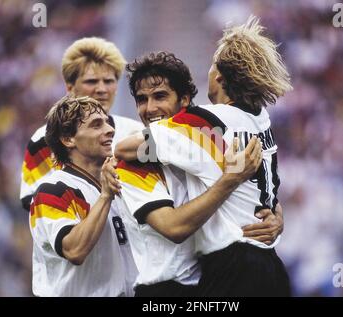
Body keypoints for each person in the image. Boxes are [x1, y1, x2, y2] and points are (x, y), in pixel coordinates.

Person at [118, 16, 292, 296]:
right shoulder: (262, 119)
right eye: (142, 100)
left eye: (213, 65)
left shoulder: (205, 122)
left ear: (221, 77)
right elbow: (266, 189)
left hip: (232, 268)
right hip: (271, 266)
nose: (150, 108)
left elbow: (124, 148)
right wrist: (276, 216)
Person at [30, 96, 137, 296]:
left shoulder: (120, 182)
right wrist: (105, 197)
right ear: (68, 139)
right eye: (97, 125)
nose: (110, 129)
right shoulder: (53, 190)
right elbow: (74, 250)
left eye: (107, 122)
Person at [20, 37, 143, 211]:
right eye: (91, 81)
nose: (101, 89)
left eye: (108, 81)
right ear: (70, 88)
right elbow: (32, 202)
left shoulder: (136, 132)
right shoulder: (45, 138)